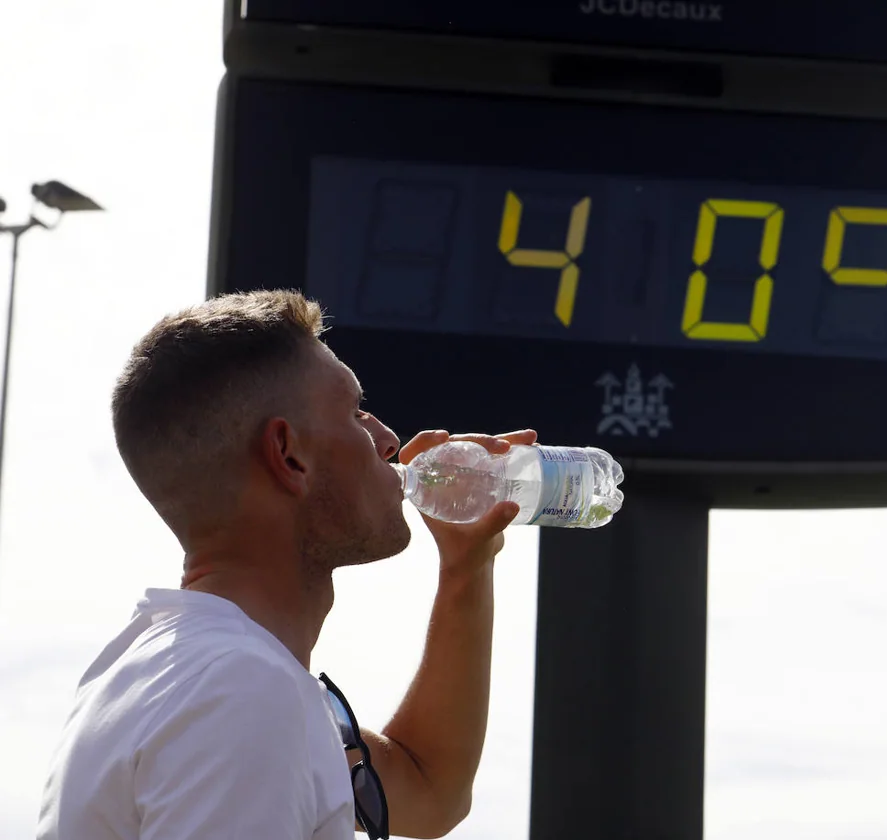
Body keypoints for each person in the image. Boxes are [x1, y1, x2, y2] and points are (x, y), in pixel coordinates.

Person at [35, 289, 536, 839]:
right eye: (354, 412)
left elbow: (429, 790)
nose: (389, 440)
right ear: (289, 455)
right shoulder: (242, 691)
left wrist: (466, 568)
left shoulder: (164, 669)